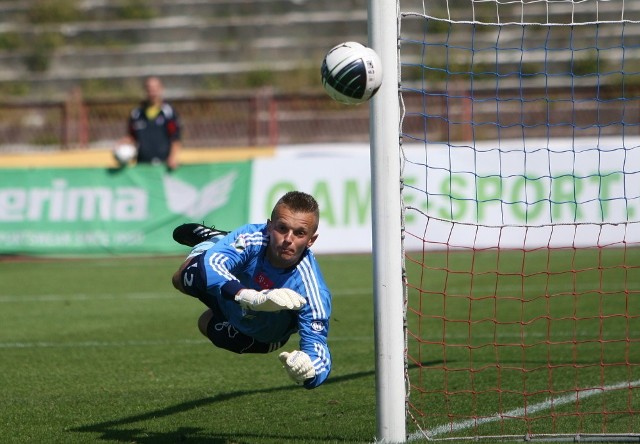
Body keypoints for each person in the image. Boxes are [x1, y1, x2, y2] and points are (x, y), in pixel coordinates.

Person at [171, 191, 332, 389]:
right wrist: (249, 296)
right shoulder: (252, 237)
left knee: (206, 323)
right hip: (235, 296)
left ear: (311, 240)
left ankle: (223, 242)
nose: (288, 239)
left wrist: (309, 371)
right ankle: (219, 242)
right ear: (269, 226)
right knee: (182, 277)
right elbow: (211, 266)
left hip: (258, 333)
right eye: (282, 228)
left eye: (299, 233)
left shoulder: (312, 289)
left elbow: (318, 348)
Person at [116, 76, 182, 169]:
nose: (153, 91)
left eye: (155, 88)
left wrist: (173, 157)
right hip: (142, 166)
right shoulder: (136, 114)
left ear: (161, 89)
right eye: (149, 88)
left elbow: (175, 138)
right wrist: (122, 143)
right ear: (145, 90)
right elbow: (132, 137)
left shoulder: (168, 113)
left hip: (163, 165)